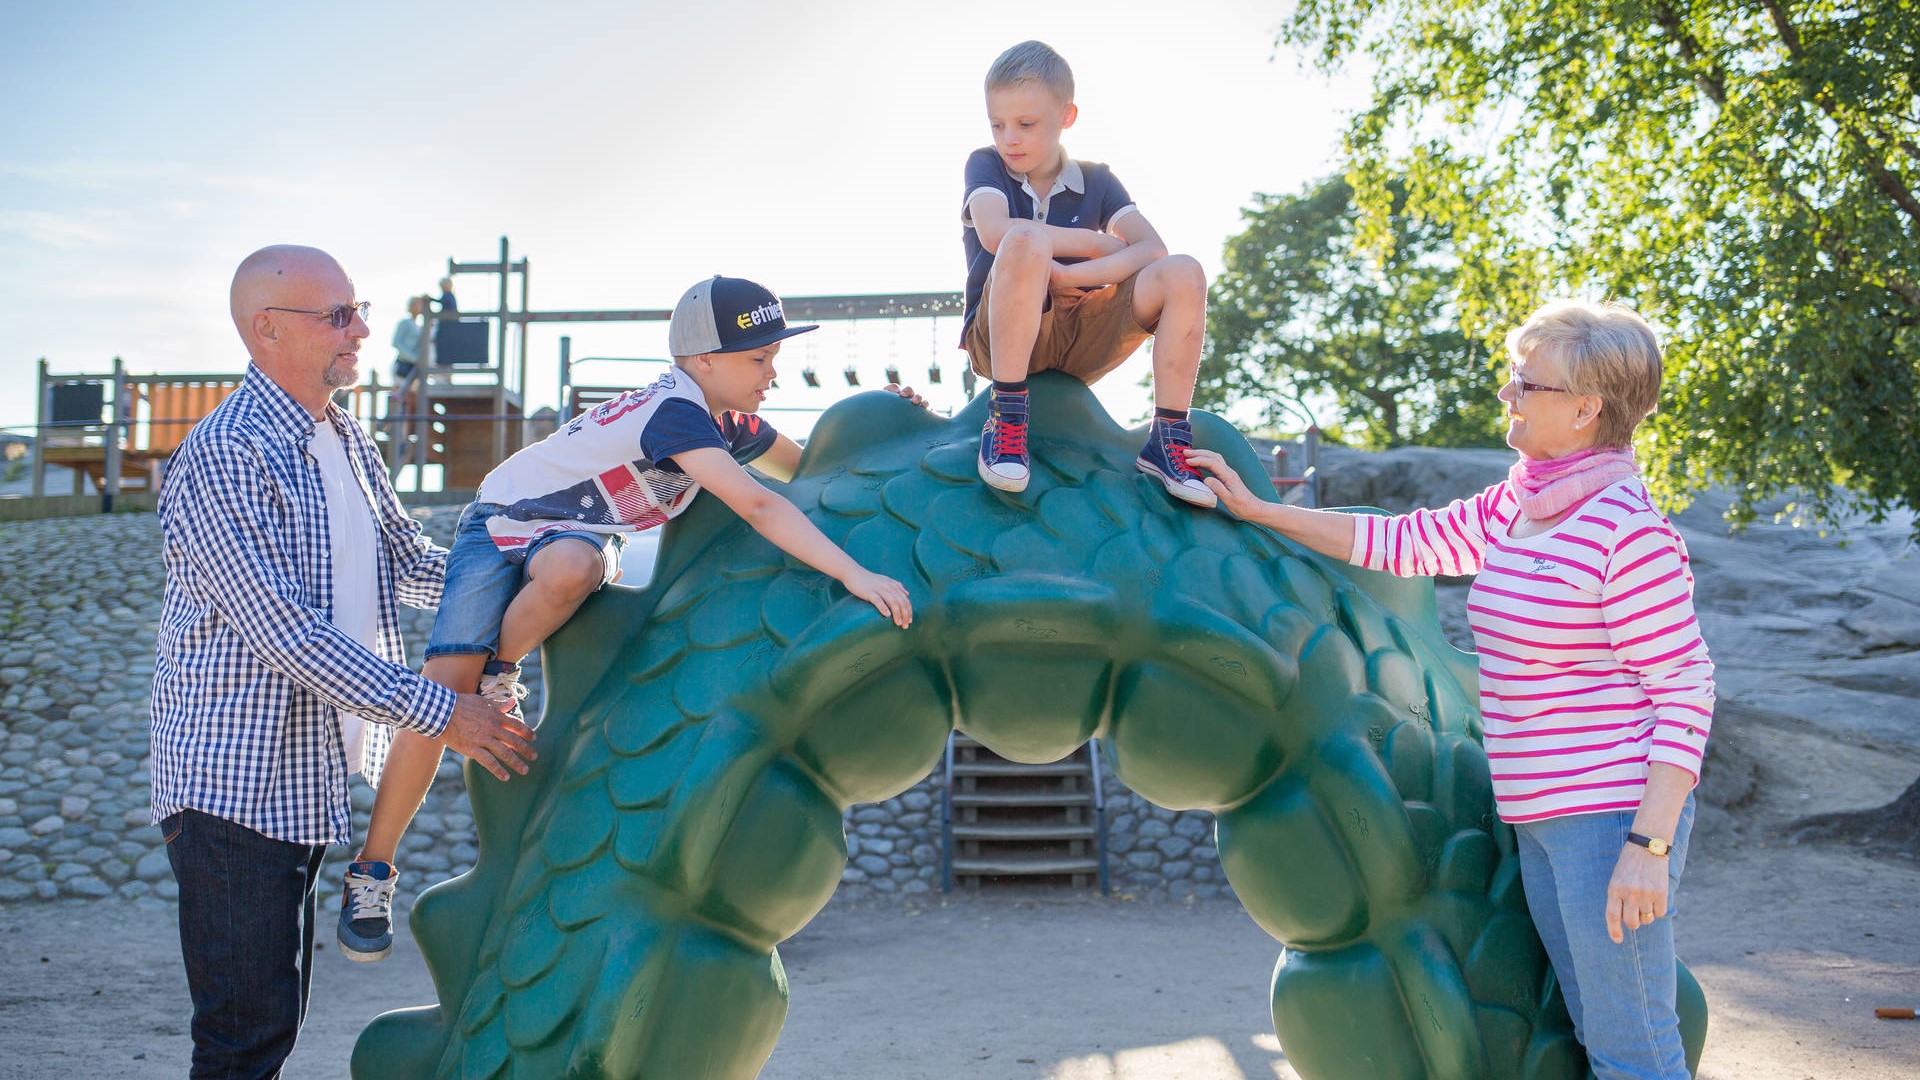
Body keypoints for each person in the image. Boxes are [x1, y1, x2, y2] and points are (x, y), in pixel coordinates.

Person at [1189, 299, 1714, 1080]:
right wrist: (1261, 513)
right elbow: (1402, 542)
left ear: (1585, 410)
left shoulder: (1627, 530)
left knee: (1633, 1047)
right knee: (1593, 1029)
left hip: (1611, 817)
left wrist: (1648, 847)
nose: (1508, 393)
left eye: (1527, 384)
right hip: (1538, 812)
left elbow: (1686, 688)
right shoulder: (1518, 505)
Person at [336, 274, 918, 961]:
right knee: (441, 692)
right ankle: (372, 870)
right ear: (704, 362)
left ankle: (501, 669)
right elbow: (761, 504)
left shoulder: (726, 422)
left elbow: (815, 470)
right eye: (759, 358)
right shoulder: (676, 413)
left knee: (572, 569)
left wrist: (891, 421)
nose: (773, 372)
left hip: (572, 538)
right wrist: (853, 574)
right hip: (502, 520)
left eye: (773, 357)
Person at [150, 245, 538, 1078]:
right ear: (267, 330)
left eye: (359, 310)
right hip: (231, 784)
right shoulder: (223, 455)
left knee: (270, 1026)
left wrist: (531, 581)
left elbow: (410, 563)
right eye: (338, 315)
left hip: (296, 778)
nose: (361, 329)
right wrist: (447, 714)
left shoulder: (344, 435)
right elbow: (286, 633)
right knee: (243, 1037)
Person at [960, 40, 1214, 508]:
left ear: (1067, 116)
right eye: (997, 124)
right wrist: (1093, 242)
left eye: (1025, 124)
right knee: (1025, 239)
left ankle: (1168, 437)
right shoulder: (986, 164)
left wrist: (1067, 278)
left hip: (1079, 334)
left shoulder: (1097, 180)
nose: (1009, 138)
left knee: (1184, 271)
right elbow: (995, 232)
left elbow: (1152, 248)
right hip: (1000, 337)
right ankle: (1007, 419)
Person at [390, 294, 427, 385]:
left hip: (414, 367)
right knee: (401, 391)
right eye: (418, 304)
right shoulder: (404, 323)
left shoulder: (419, 326)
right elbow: (396, 342)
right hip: (403, 365)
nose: (420, 307)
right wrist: (413, 358)